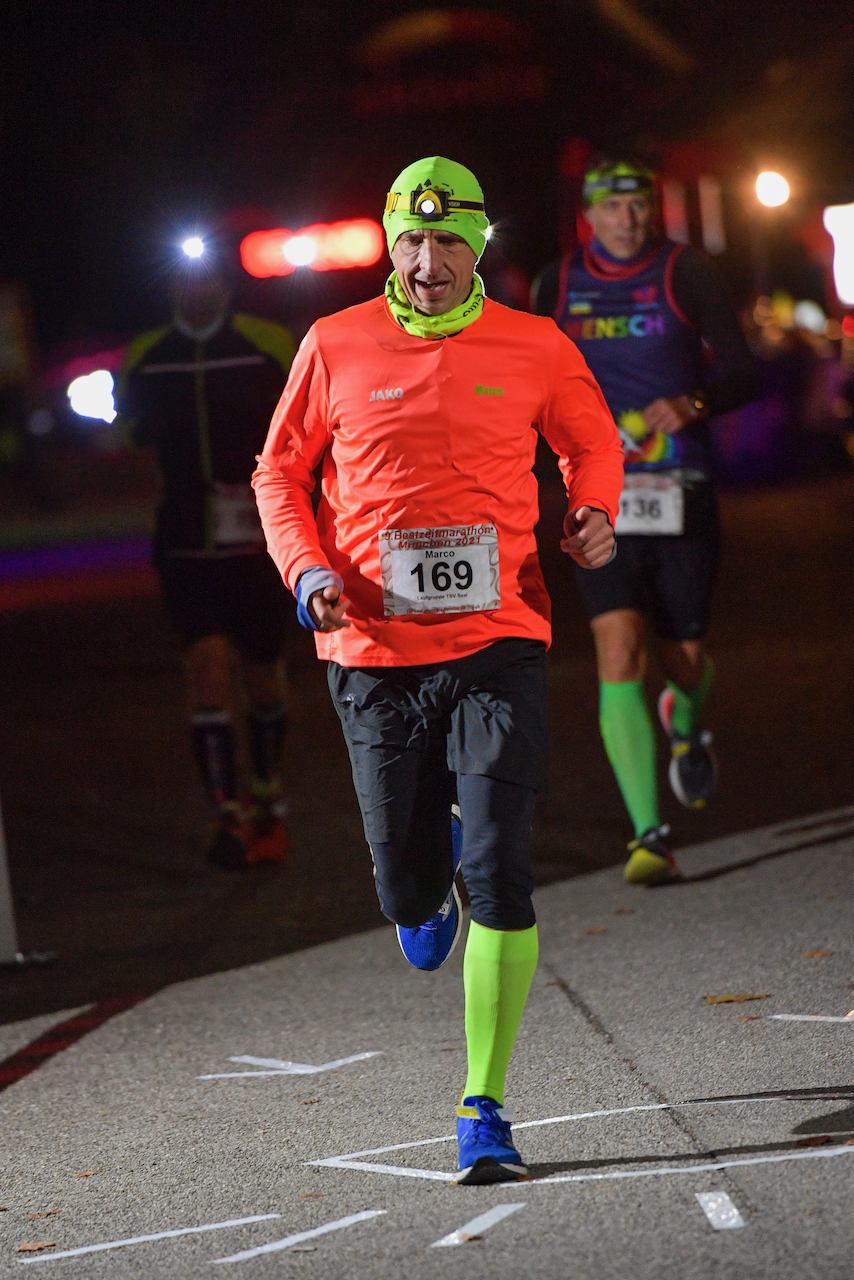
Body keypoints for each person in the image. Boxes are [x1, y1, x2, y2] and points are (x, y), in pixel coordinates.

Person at [253, 157, 624, 1184]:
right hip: (372, 649)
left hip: (500, 637)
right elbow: (278, 471)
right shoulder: (332, 343)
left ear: (477, 246)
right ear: (389, 243)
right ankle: (421, 883)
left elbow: (590, 442)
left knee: (502, 871)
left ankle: (483, 1104)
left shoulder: (532, 343)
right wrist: (307, 569)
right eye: (409, 241)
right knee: (408, 888)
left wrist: (592, 509)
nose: (426, 259)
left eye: (446, 239)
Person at [533, 159, 759, 886]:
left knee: (684, 656)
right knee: (617, 647)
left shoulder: (683, 272)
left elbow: (744, 371)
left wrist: (690, 404)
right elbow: (525, 380)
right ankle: (648, 835)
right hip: (599, 492)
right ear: (589, 216)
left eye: (638, 206)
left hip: (680, 484)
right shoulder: (557, 286)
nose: (627, 219)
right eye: (613, 207)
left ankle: (685, 721)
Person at [117, 246, 296, 870]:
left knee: (262, 674)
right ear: (169, 284)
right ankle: (227, 814)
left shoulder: (268, 344)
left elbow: (311, 428)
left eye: (207, 278)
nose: (197, 289)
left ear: (225, 284)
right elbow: (133, 440)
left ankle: (269, 794)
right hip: (186, 545)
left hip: (258, 542)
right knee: (207, 673)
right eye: (183, 277)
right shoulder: (146, 357)